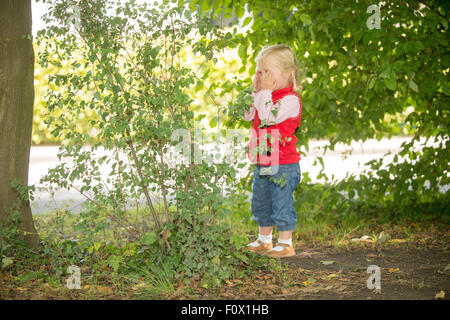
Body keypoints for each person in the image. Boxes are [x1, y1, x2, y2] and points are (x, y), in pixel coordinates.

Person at [242, 44, 302, 258]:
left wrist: (264, 93)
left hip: (284, 163)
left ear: (287, 73)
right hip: (263, 161)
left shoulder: (290, 100)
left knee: (281, 202)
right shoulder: (263, 95)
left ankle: (286, 243)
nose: (263, 76)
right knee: (261, 201)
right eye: (260, 72)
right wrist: (254, 92)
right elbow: (248, 116)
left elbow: (268, 118)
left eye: (268, 72)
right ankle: (264, 240)